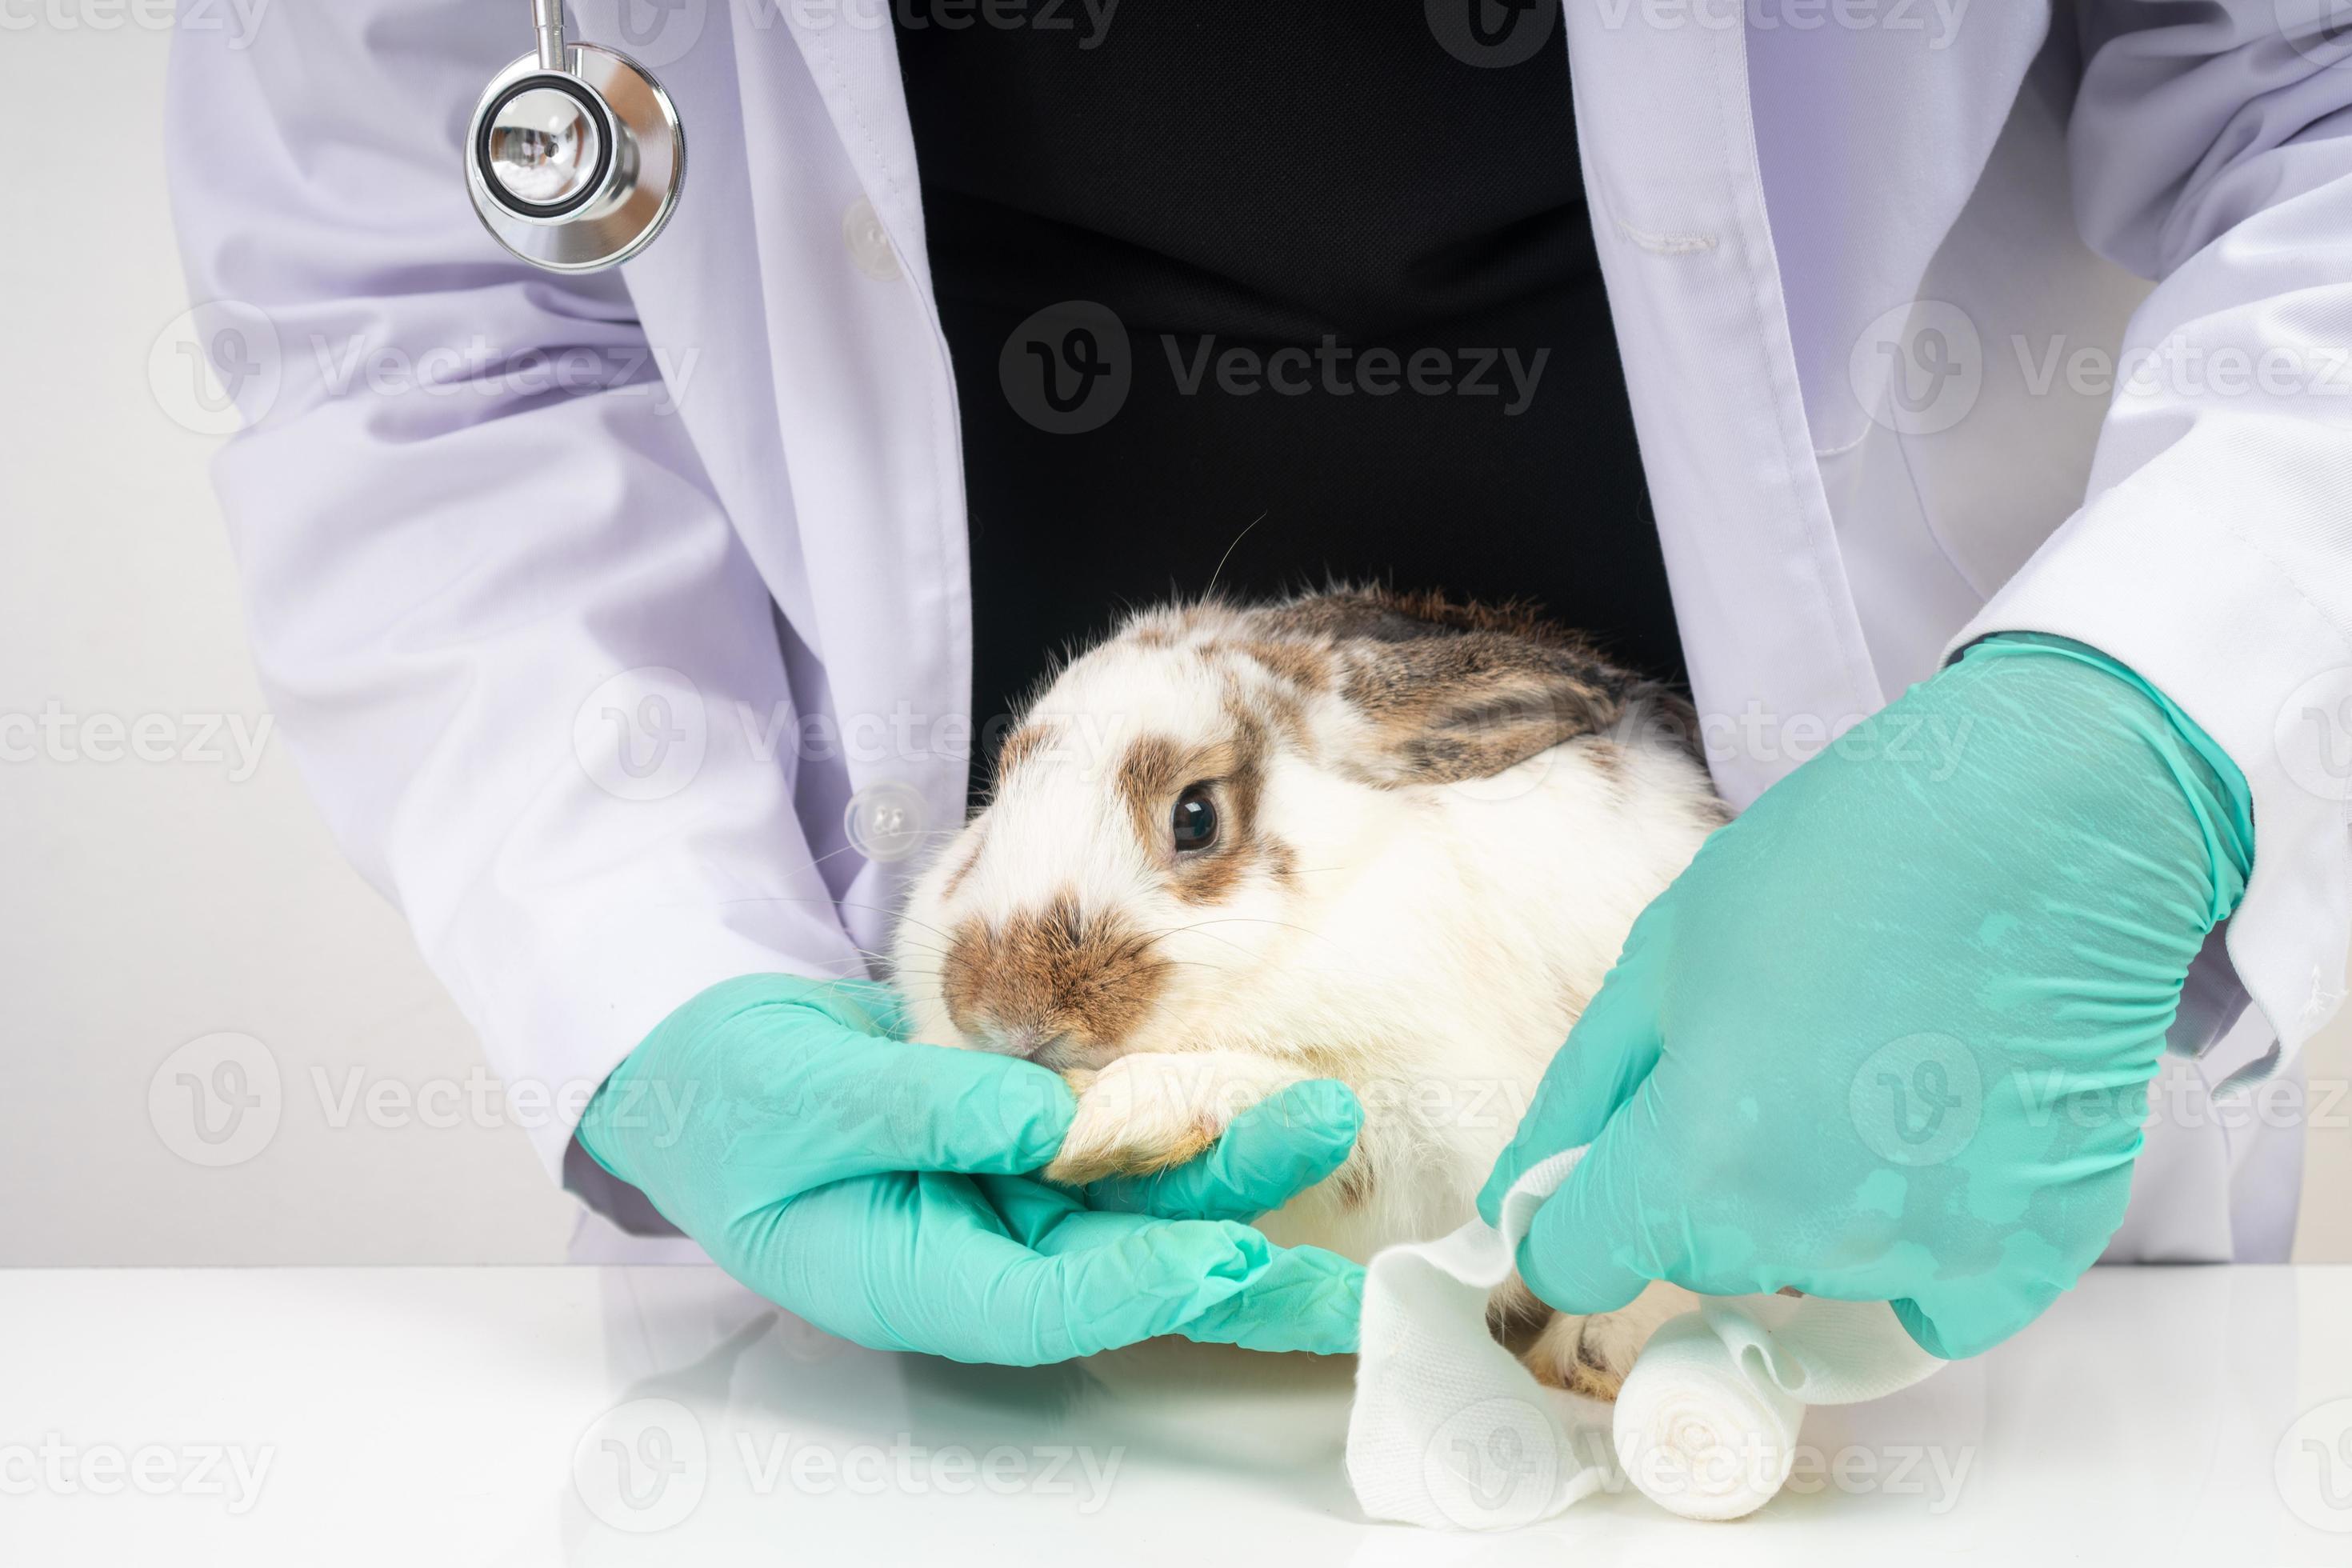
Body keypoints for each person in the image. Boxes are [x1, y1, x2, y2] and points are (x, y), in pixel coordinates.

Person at [166, 3, 2348, 1364]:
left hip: (1884, 1111)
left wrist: (2136, 723)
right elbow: (422, 340)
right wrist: (642, 961)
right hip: (940, 1220)